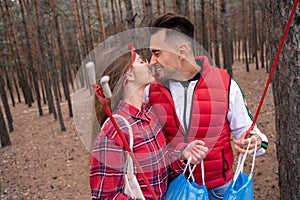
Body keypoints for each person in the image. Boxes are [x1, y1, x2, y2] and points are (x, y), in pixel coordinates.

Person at [147, 13, 269, 200]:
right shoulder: (151, 91)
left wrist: (254, 141)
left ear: (181, 51)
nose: (151, 61)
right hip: (174, 187)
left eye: (157, 53)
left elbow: (248, 130)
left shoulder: (224, 83)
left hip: (218, 190)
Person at [90, 45, 208, 199]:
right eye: (140, 61)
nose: (149, 64)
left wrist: (182, 154)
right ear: (129, 75)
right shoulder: (113, 132)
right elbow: (105, 196)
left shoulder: (150, 114)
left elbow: (160, 163)